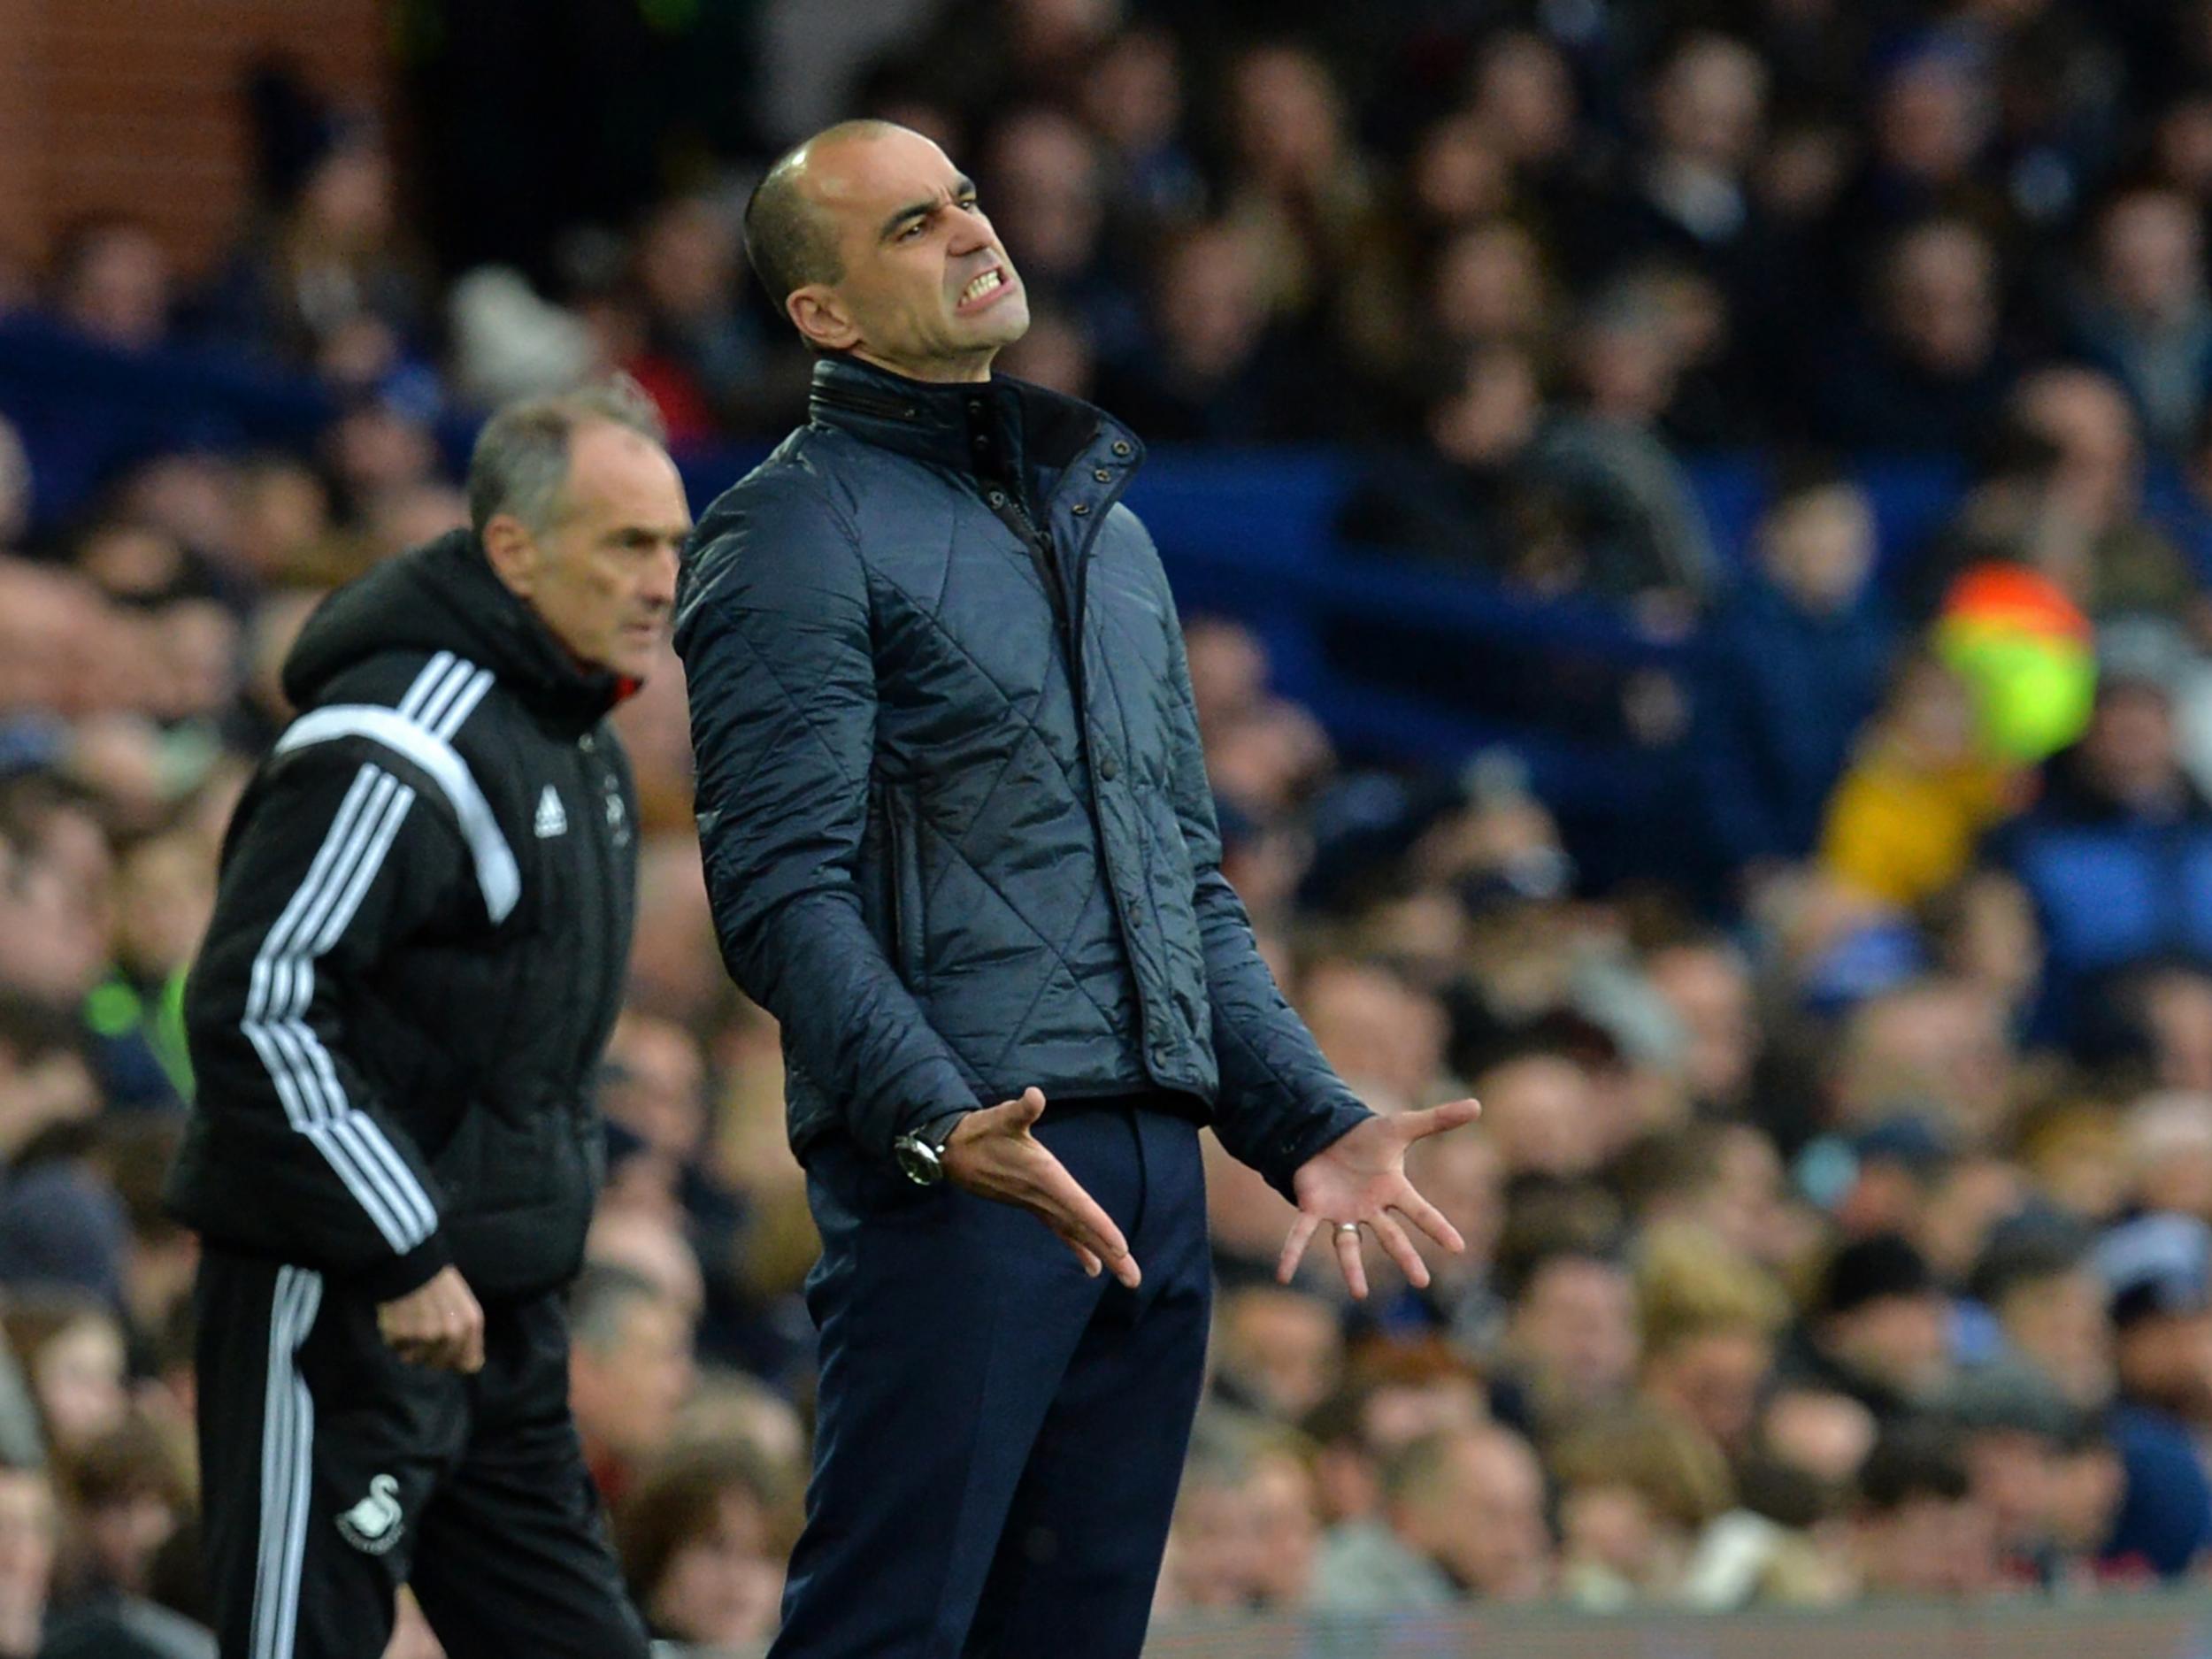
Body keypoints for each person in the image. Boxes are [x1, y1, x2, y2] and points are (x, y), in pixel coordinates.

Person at [676, 118, 1476, 1657]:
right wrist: (936, 1116)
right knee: (886, 1632)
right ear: (823, 315)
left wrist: (1305, 1119)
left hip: (1154, 1175)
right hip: (967, 1173)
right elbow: (778, 888)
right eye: (912, 225)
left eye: (967, 199)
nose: (974, 233)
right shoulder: (789, 528)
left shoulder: (1108, 537)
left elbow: (1178, 879)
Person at [163, 380, 690, 1658]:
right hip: (345, 1303)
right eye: (628, 542)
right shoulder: (398, 739)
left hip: (499, 1325)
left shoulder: (577, 740)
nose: (663, 579)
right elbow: (256, 1005)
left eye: (674, 542)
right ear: (512, 547)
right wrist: (400, 1247)